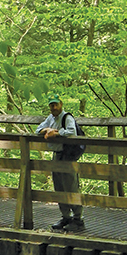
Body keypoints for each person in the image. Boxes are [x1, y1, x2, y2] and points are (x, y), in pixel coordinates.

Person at [35, 93, 85, 231]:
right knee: (59, 187)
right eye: (51, 105)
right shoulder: (50, 118)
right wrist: (47, 129)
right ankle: (65, 216)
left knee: (71, 186)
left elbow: (71, 132)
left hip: (68, 155)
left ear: (61, 104)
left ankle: (77, 219)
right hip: (56, 155)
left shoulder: (66, 117)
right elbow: (38, 130)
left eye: (56, 104)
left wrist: (56, 133)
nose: (54, 107)